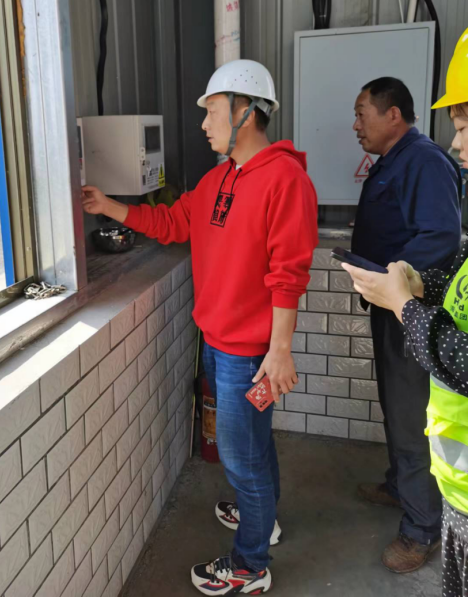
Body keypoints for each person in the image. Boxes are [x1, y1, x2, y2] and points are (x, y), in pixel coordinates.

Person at [82, 60, 318, 595]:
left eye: (212, 111)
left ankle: (250, 566)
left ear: (245, 111)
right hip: (216, 343)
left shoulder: (285, 180)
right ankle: (262, 518)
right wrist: (108, 206)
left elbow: (288, 274)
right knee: (253, 446)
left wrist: (280, 351)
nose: (204, 123)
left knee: (241, 457)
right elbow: (171, 223)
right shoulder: (219, 179)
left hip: (249, 354)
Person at [342, 28, 468, 597]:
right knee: (395, 406)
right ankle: (402, 486)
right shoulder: (393, 161)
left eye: (362, 113)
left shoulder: (422, 160)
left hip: (414, 314)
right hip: (393, 308)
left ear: (394, 114)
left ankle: (421, 528)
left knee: (412, 414)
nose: (356, 124)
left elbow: (439, 236)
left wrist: (398, 286)